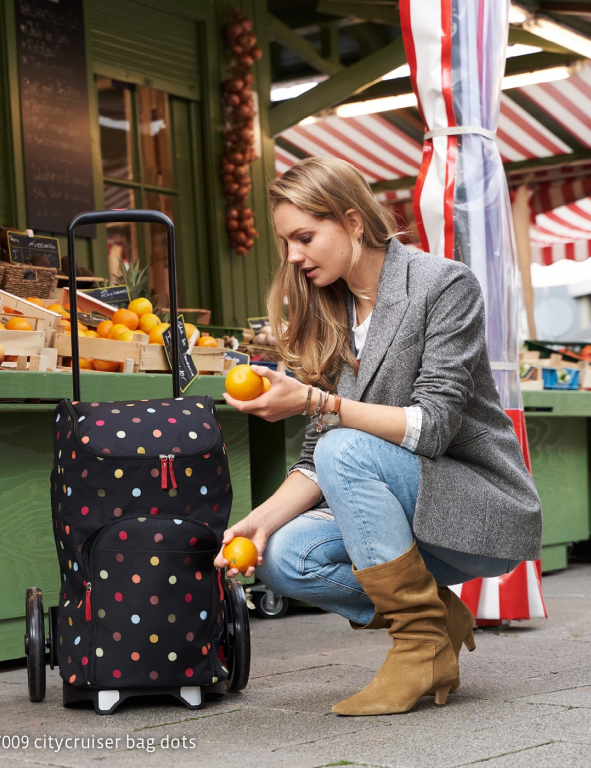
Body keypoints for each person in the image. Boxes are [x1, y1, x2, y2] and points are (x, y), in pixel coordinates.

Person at [214, 156, 542, 717]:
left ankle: (415, 647)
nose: (293, 256)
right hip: (395, 504)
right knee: (283, 557)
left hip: (474, 504)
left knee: (346, 443)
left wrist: (317, 400)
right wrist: (257, 522)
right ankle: (433, 620)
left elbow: (432, 425)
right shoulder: (327, 311)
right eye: (286, 242)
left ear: (353, 221)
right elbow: (319, 459)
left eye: (305, 237)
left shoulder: (443, 286)